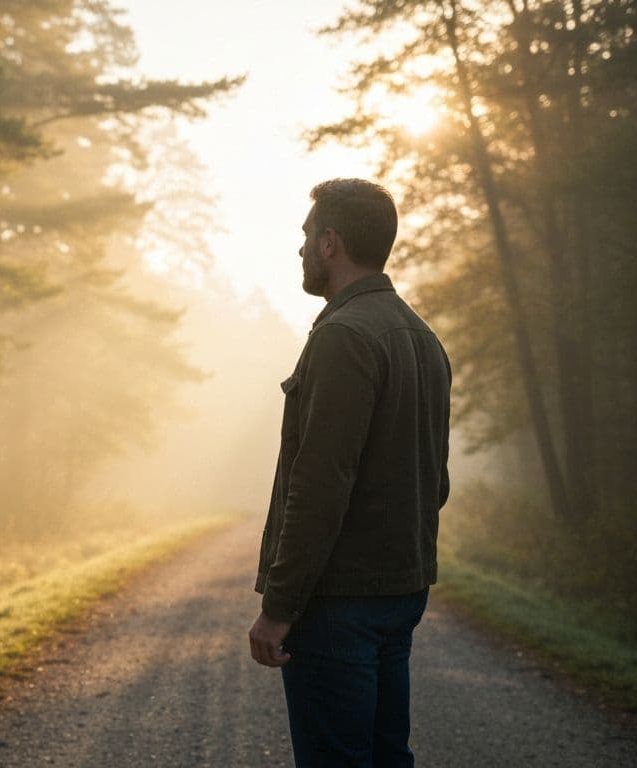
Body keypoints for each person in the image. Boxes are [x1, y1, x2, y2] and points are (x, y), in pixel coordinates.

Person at [246, 178, 451, 767]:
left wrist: (279, 608)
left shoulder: (342, 336)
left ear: (331, 243)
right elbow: (434, 481)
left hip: (338, 602)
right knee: (388, 757)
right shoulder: (422, 337)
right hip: (399, 590)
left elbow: (319, 488)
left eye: (308, 236)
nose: (302, 249)